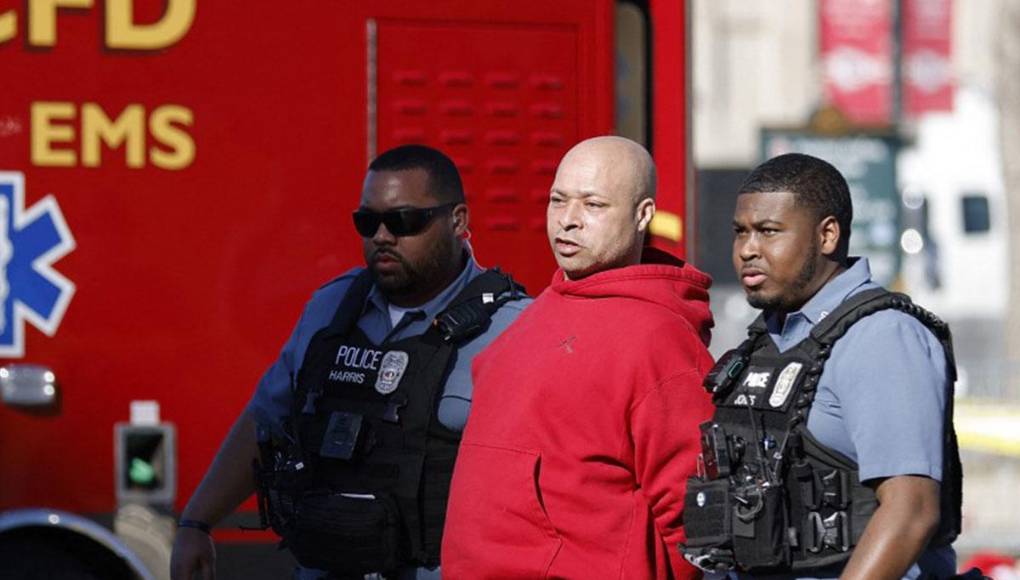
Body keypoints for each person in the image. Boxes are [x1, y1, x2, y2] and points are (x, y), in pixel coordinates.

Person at [169, 144, 530, 580]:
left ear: (457, 222)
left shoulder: (512, 328)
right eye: (367, 221)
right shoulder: (332, 308)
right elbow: (267, 421)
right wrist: (196, 523)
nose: (381, 236)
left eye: (403, 221)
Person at [441, 136, 716, 579]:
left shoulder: (660, 336)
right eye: (557, 200)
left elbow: (696, 518)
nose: (568, 221)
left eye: (593, 205)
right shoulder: (540, 310)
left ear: (643, 215)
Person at [681, 153, 962, 580]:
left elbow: (911, 511)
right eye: (740, 233)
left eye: (769, 232)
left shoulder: (881, 338)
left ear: (827, 235)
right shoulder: (767, 340)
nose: (748, 250)